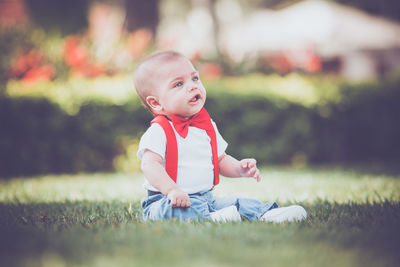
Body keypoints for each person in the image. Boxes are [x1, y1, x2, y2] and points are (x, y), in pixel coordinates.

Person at [134, 51, 307, 223]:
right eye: (178, 84)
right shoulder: (159, 131)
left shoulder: (206, 126)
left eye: (195, 78)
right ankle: (211, 218)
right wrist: (171, 190)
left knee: (238, 202)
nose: (193, 86)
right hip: (167, 200)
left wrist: (239, 168)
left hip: (207, 198)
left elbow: (220, 160)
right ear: (156, 103)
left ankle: (266, 214)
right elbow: (150, 165)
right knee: (170, 211)